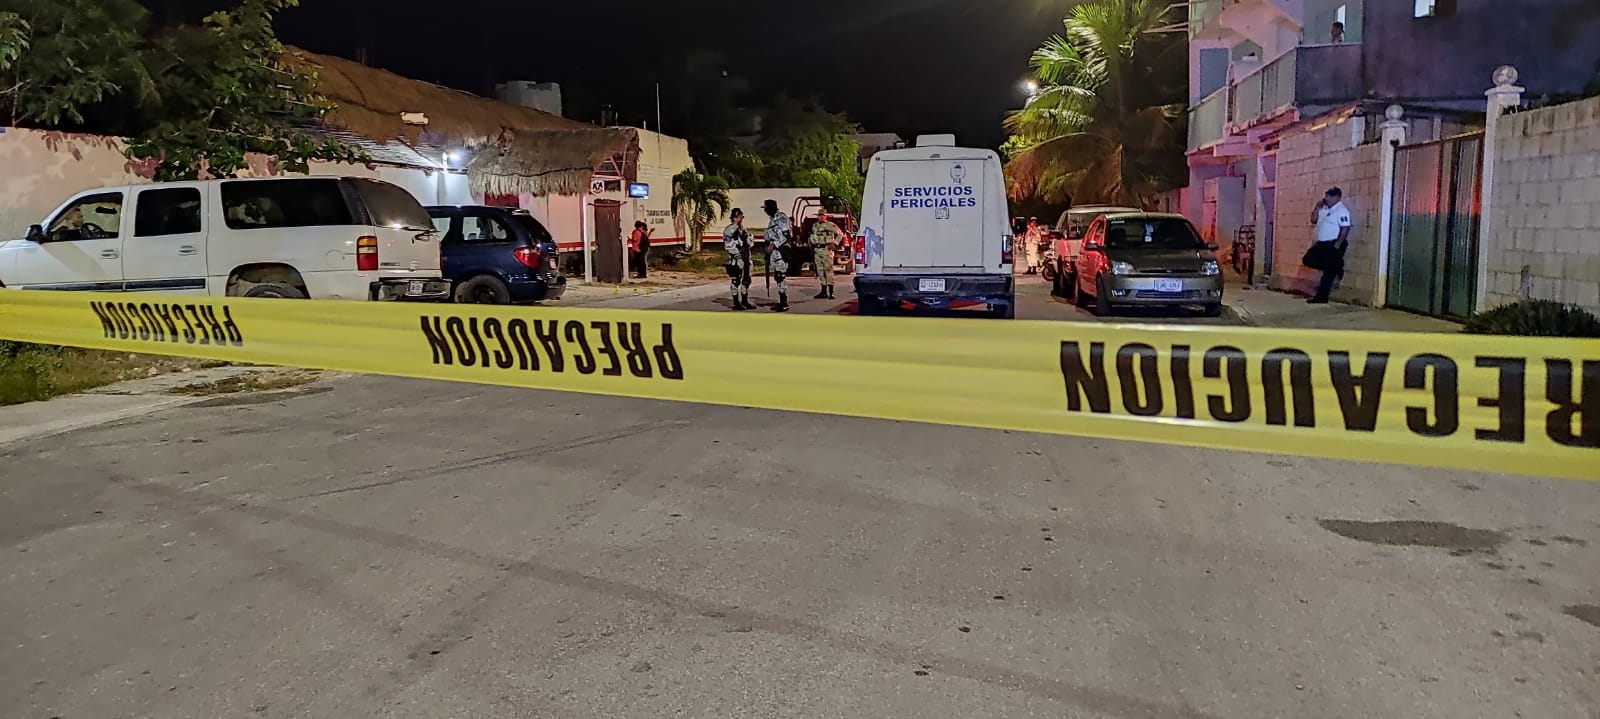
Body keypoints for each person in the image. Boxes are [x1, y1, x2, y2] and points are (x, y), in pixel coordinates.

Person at [1303, 187, 1352, 304]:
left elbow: (1345, 228)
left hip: (1332, 243)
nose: (1327, 199)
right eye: (1326, 196)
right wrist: (1316, 208)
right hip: (1321, 243)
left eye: (1330, 196)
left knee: (1327, 275)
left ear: (1337, 197)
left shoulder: (1341, 210)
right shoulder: (1324, 209)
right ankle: (1337, 267)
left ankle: (1321, 297)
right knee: (1308, 259)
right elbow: (1313, 220)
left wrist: (1338, 244)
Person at [762, 199, 793, 312]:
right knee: (777, 276)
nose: (765, 211)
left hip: (781, 251)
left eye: (766, 208)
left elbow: (786, 236)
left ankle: (784, 303)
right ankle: (781, 301)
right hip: (774, 253)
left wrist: (773, 245)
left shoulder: (782, 217)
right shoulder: (771, 221)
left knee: (781, 276)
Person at [723, 209, 755, 311]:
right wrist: (737, 254)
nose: (741, 219)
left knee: (746, 280)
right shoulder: (729, 229)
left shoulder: (743, 229)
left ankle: (745, 301)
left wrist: (749, 239)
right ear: (735, 217)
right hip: (737, 258)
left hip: (746, 257)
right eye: (740, 217)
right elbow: (728, 245)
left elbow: (750, 243)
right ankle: (736, 303)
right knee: (736, 280)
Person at [808, 209, 842, 300]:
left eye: (823, 215)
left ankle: (831, 292)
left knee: (828, 270)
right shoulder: (815, 226)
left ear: (826, 216)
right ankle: (823, 291)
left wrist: (834, 243)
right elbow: (812, 236)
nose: (821, 217)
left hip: (827, 249)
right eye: (819, 215)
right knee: (820, 270)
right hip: (817, 249)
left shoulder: (830, 225)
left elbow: (840, 234)